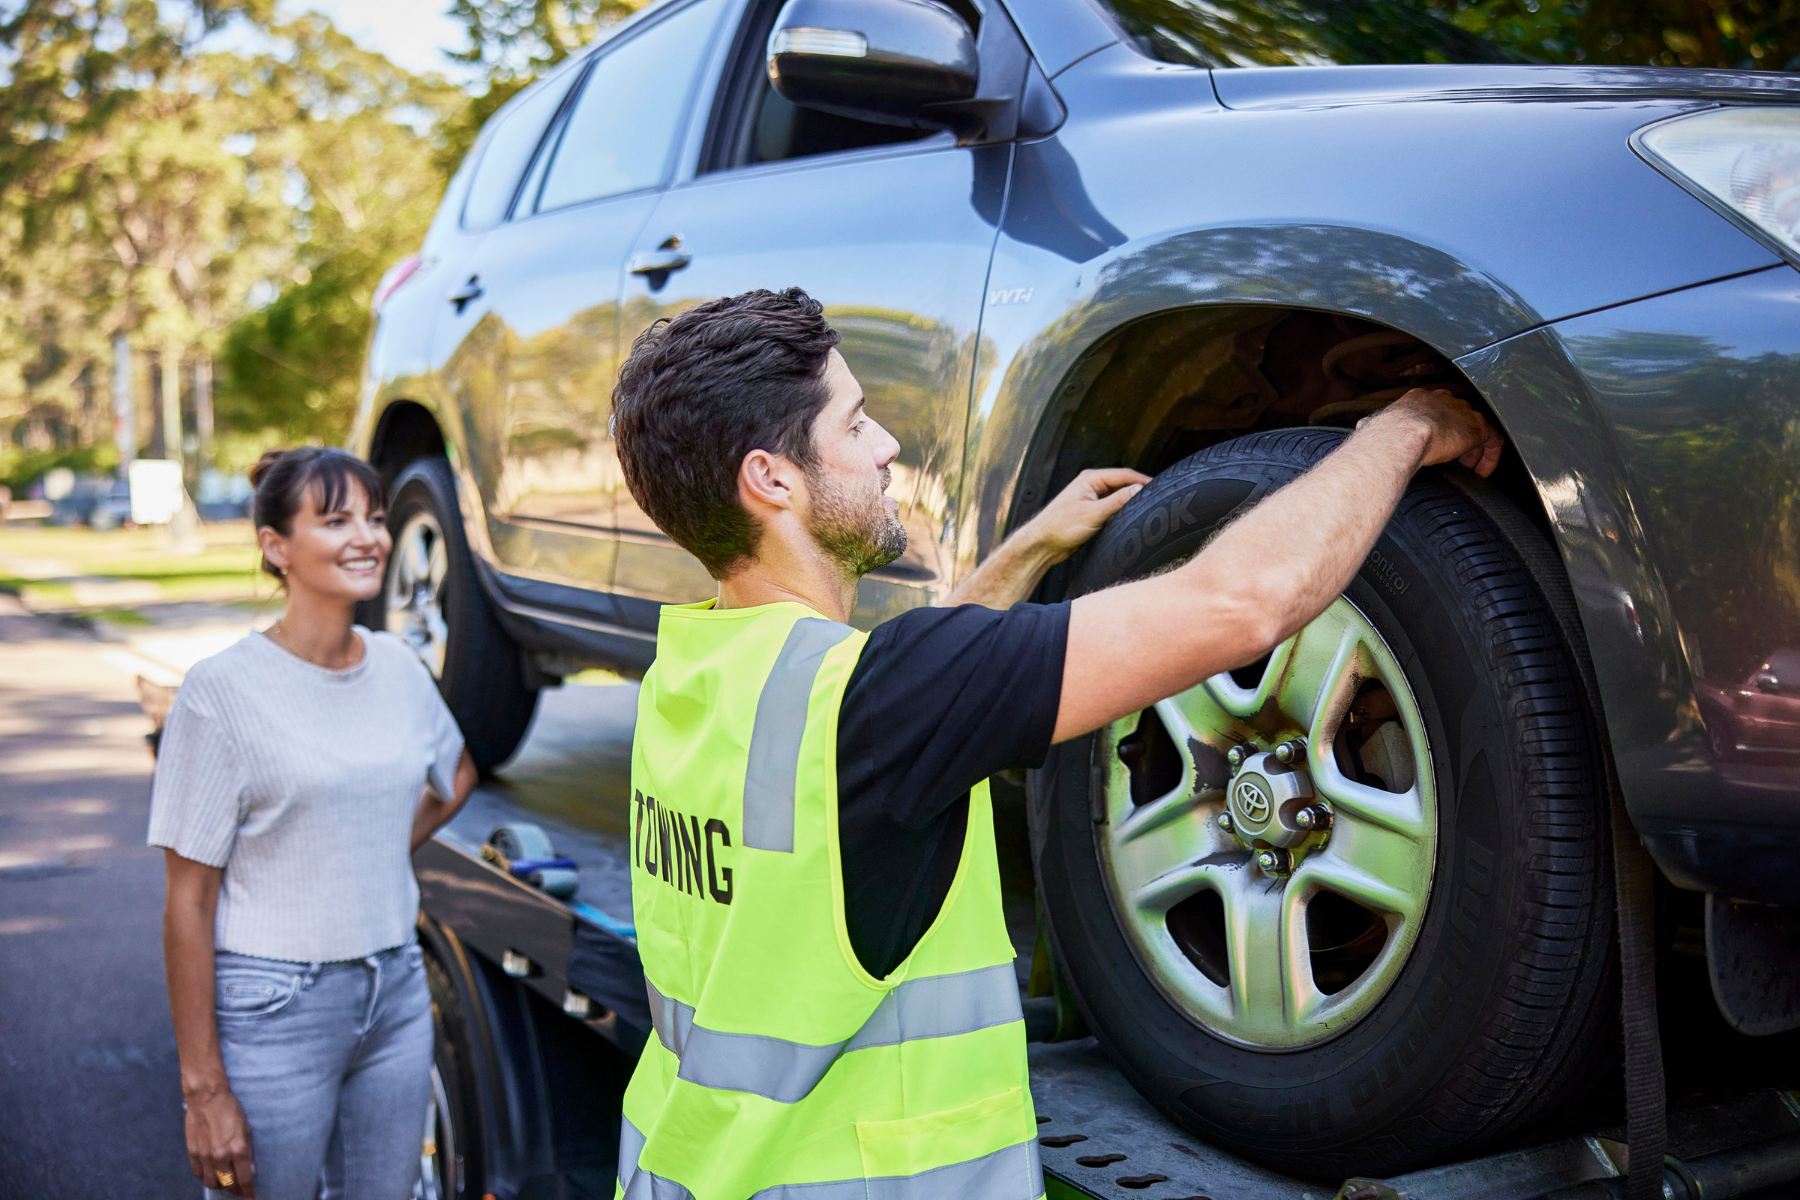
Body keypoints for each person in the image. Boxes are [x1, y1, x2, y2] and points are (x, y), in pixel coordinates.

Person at [607, 287, 1502, 1200]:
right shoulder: (876, 705)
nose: (887, 448)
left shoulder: (693, 676)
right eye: (857, 422)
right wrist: (1407, 427)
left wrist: (1027, 551)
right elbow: (1241, 603)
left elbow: (897, 708)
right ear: (773, 479)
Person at [150, 447, 479, 1200]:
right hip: (273, 1010)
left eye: (374, 517)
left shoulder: (398, 665)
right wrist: (203, 1094)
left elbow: (456, 776)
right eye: (335, 520)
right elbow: (186, 904)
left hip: (394, 992)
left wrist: (362, 856)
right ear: (276, 547)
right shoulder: (219, 693)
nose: (368, 537)